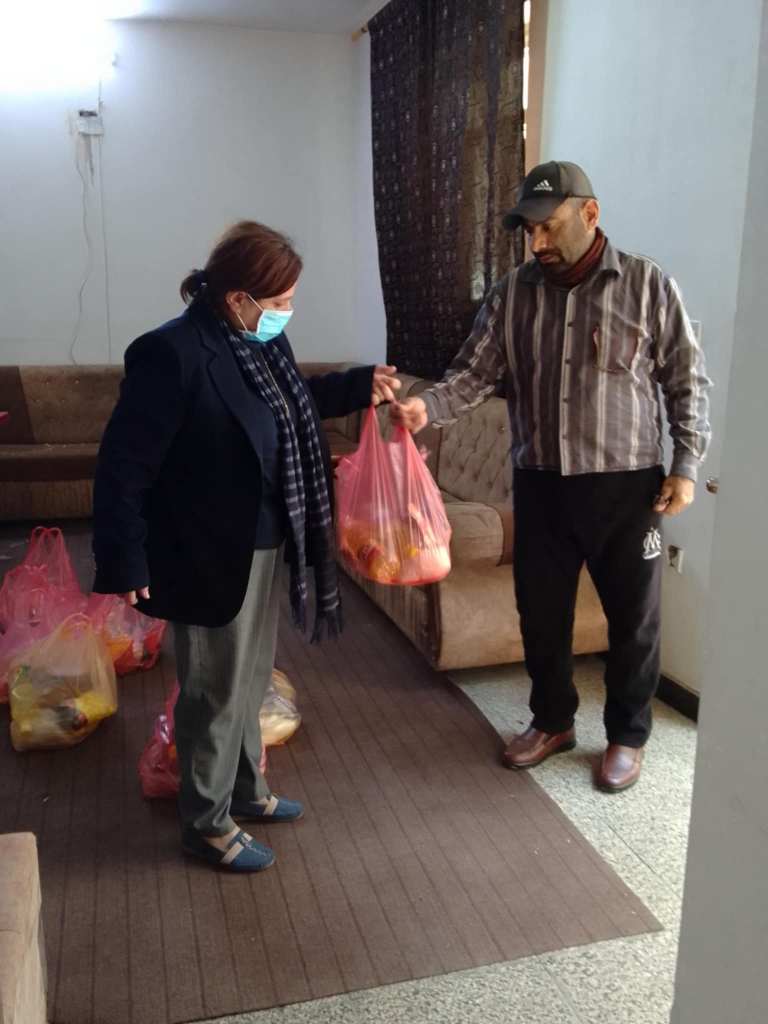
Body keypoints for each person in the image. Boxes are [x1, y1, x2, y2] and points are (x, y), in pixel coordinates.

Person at [391, 161, 712, 792]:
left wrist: (686, 465)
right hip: (540, 482)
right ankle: (553, 720)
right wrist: (426, 406)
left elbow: (686, 380)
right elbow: (473, 374)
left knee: (634, 619)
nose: (537, 242)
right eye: (528, 230)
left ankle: (627, 735)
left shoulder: (646, 284)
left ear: (590, 214)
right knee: (540, 613)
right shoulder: (512, 292)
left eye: (548, 226)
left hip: (627, 486)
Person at [92, 220, 400, 870]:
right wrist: (124, 556)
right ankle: (206, 824)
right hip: (205, 552)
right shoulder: (171, 353)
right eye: (279, 301)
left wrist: (357, 384)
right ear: (237, 298)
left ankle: (246, 791)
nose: (287, 312)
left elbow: (290, 403)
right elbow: (124, 465)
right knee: (213, 690)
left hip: (263, 539)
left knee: (250, 678)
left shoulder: (259, 343)